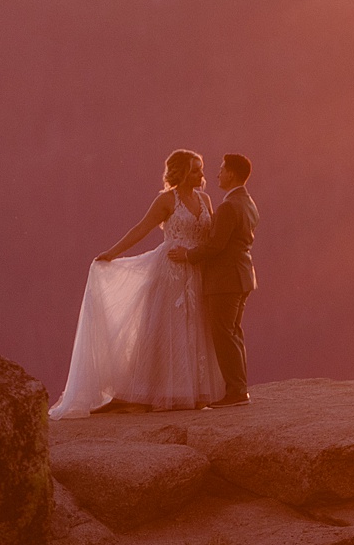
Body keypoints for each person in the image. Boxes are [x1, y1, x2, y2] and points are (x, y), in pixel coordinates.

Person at [48, 149, 226, 418]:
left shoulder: (205, 199)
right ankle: (151, 390)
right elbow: (141, 228)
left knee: (196, 327)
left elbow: (212, 236)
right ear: (180, 173)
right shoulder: (167, 200)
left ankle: (192, 391)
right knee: (167, 330)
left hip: (197, 270)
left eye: (200, 169)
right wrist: (112, 252)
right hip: (171, 273)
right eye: (194, 169)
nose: (201, 174)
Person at [172, 151, 256, 407]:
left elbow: (216, 246)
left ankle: (236, 391)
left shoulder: (229, 206)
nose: (217, 174)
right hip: (242, 276)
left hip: (225, 280)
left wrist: (188, 254)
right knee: (234, 332)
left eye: (221, 169)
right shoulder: (248, 202)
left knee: (223, 334)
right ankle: (239, 387)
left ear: (231, 173)